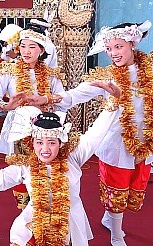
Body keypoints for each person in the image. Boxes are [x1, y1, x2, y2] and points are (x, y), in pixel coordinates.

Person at [0, 83, 121, 245]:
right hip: (33, 226)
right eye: (39, 142)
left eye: (51, 142)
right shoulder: (25, 166)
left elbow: (97, 131)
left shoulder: (73, 158)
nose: (45, 149)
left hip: (69, 226)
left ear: (61, 142)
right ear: (31, 143)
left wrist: (114, 101)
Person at [25, 20, 153, 246]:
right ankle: (116, 233)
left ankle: (109, 219)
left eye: (119, 46)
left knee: (135, 188)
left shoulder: (150, 72)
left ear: (132, 43)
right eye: (109, 48)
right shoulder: (107, 76)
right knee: (116, 191)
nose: (113, 53)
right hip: (116, 144)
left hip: (145, 142)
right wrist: (47, 99)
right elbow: (76, 94)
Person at [0, 22, 66, 210]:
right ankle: (25, 212)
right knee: (22, 169)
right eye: (23, 45)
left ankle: (42, 208)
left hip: (46, 129)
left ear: (41, 50)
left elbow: (63, 98)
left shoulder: (51, 74)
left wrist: (46, 100)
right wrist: (7, 106)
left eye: (32, 47)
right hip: (18, 128)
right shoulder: (9, 70)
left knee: (46, 168)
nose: (26, 51)